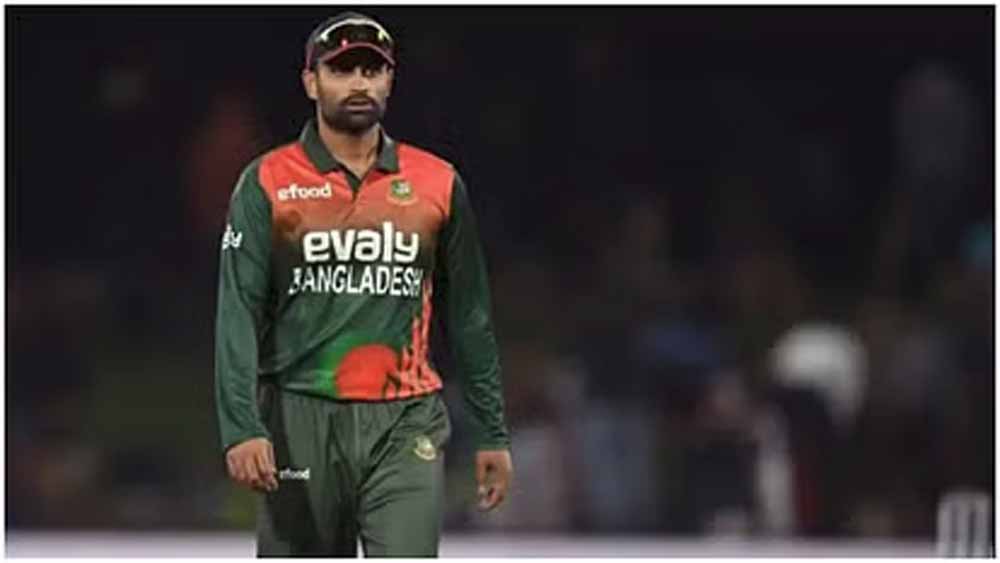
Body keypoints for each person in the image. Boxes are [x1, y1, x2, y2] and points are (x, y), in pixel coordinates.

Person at [214, 11, 513, 557]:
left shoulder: (437, 183)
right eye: (341, 69)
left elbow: (469, 316)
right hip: (299, 414)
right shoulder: (267, 181)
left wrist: (491, 431)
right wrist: (242, 426)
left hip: (406, 420)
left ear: (390, 81)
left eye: (372, 71)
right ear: (311, 82)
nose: (359, 83)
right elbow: (238, 312)